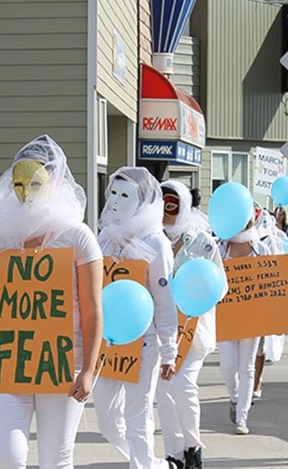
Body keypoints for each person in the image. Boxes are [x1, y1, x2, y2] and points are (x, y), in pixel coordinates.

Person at [0, 134, 103, 468]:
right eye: (18, 182)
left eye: (34, 181)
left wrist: (87, 370)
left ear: (55, 180)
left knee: (55, 459)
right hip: (8, 363)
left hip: (61, 364)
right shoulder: (1, 236)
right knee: (7, 457)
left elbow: (91, 310)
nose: (25, 191)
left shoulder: (77, 236)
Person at [92, 167, 178, 469]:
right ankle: (153, 464)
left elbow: (164, 300)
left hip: (143, 342)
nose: (116, 201)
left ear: (142, 200)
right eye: (113, 193)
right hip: (108, 341)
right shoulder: (105, 237)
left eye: (125, 194)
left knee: (137, 414)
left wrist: (169, 349)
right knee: (105, 417)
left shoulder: (156, 243)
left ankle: (141, 465)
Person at [156, 180, 224, 469]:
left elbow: (221, 286)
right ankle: (174, 452)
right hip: (160, 329)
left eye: (172, 207)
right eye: (160, 206)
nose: (165, 214)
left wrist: (197, 293)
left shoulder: (203, 242)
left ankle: (193, 445)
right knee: (163, 392)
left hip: (193, 330)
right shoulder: (148, 241)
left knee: (184, 386)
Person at [218, 220, 271, 435]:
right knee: (228, 365)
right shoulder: (220, 248)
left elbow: (273, 281)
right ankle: (234, 398)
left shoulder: (262, 248)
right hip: (226, 314)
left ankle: (242, 417)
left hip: (253, 315)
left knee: (247, 366)